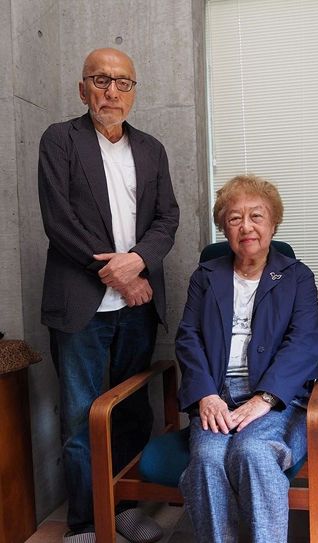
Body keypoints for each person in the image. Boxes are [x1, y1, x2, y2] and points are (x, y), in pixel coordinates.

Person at [38, 48, 179, 543]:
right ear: (83, 90)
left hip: (137, 307)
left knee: (132, 411)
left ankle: (124, 509)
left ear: (134, 92)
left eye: (123, 82)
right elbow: (59, 222)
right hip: (81, 307)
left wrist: (138, 261)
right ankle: (84, 521)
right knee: (82, 419)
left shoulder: (152, 149)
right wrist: (120, 276)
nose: (112, 91)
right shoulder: (60, 140)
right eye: (100, 81)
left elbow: (167, 219)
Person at [176, 174, 318, 543]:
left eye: (256, 216)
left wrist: (266, 397)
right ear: (224, 228)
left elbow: (305, 343)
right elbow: (188, 338)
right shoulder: (205, 277)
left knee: (253, 451)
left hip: (274, 394)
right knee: (207, 460)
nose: (246, 227)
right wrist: (206, 395)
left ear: (273, 224)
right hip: (216, 392)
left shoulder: (297, 277)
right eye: (234, 218)